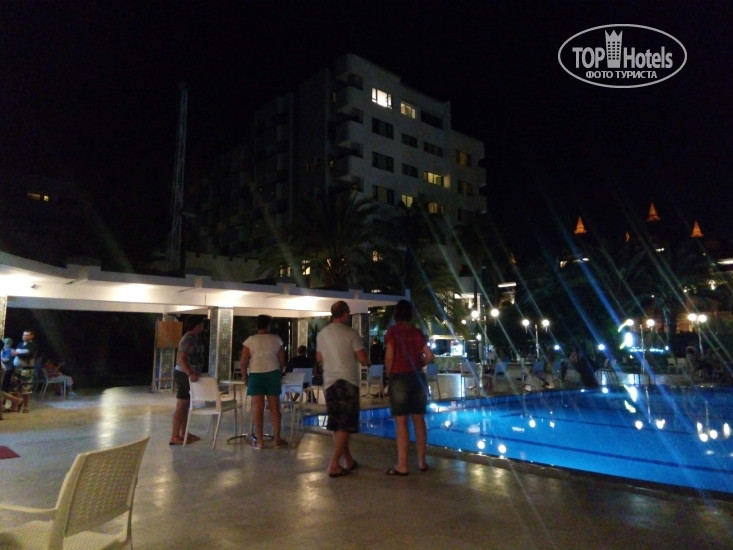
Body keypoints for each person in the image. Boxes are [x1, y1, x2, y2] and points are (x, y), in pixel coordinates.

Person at [316, 300, 369, 478]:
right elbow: (363, 359)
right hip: (347, 381)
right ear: (345, 314)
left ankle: (348, 459)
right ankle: (333, 463)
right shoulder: (351, 333)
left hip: (329, 383)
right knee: (345, 425)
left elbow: (319, 357)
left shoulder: (322, 334)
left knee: (337, 423)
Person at [383, 299, 435, 476]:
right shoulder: (417, 332)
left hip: (399, 377)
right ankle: (421, 461)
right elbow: (429, 355)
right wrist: (420, 363)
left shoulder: (393, 332)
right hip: (417, 377)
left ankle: (402, 464)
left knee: (401, 422)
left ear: (396, 314)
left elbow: (389, 356)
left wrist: (388, 374)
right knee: (419, 419)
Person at [241, 314, 287, 449]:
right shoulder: (276, 339)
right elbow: (282, 361)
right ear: (269, 325)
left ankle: (260, 441)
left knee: (257, 408)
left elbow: (243, 361)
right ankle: (277, 439)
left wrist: (245, 377)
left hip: (255, 374)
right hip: (273, 374)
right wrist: (279, 371)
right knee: (274, 408)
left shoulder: (250, 340)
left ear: (257, 325)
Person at [170, 316, 205, 445]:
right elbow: (182, 358)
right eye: (200, 324)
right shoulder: (187, 339)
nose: (202, 326)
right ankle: (175, 436)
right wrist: (190, 373)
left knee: (186, 405)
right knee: (181, 405)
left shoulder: (194, 338)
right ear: (195, 325)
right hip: (183, 374)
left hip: (189, 375)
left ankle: (184, 433)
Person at [9, 330, 37, 413]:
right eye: (24, 335)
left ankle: (25, 406)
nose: (24, 336)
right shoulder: (20, 344)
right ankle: (15, 405)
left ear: (31, 336)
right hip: (17, 369)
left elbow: (29, 355)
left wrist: (17, 353)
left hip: (27, 369)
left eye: (27, 335)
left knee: (26, 388)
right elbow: (15, 353)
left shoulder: (32, 345)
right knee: (15, 387)